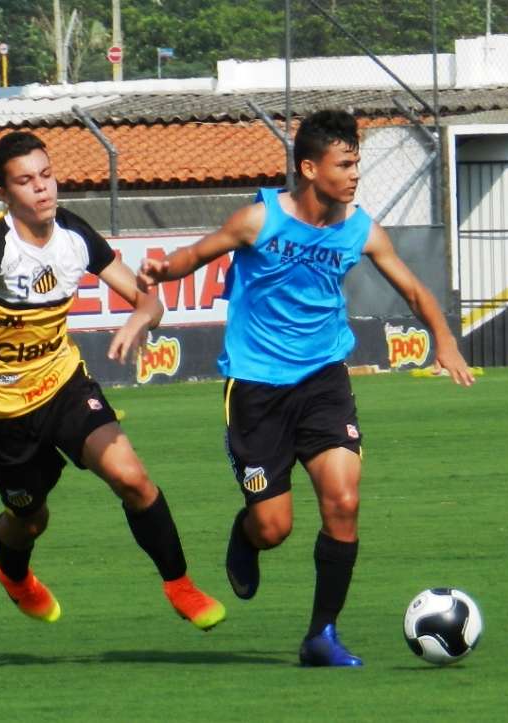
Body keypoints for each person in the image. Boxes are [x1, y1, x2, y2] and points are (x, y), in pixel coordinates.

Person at [138, 109, 474, 665]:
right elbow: (197, 254)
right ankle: (247, 536)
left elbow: (414, 290)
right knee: (275, 528)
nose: (354, 175)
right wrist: (161, 270)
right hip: (256, 388)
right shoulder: (258, 219)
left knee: (344, 500)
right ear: (310, 167)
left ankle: (322, 635)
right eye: (344, 165)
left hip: (323, 380)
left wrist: (445, 340)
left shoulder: (360, 228)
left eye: (357, 163)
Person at [0, 131, 225, 631]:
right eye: (26, 182)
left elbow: (149, 298)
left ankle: (180, 585)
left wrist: (140, 318)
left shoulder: (75, 236)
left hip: (62, 385)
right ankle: (12, 572)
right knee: (30, 520)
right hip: (2, 410)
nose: (42, 189)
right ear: (5, 194)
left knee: (132, 478)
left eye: (46, 176)